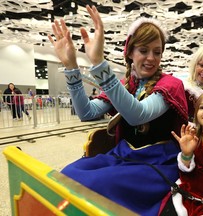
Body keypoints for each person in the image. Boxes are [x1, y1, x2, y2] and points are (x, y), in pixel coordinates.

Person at [48, 5, 188, 216]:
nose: (151, 57)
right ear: (130, 53)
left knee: (96, 183)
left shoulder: (171, 84)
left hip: (157, 162)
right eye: (143, 50)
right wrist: (71, 68)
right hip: (123, 154)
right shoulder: (125, 84)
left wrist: (98, 63)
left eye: (157, 52)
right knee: (68, 174)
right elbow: (86, 113)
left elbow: (137, 115)